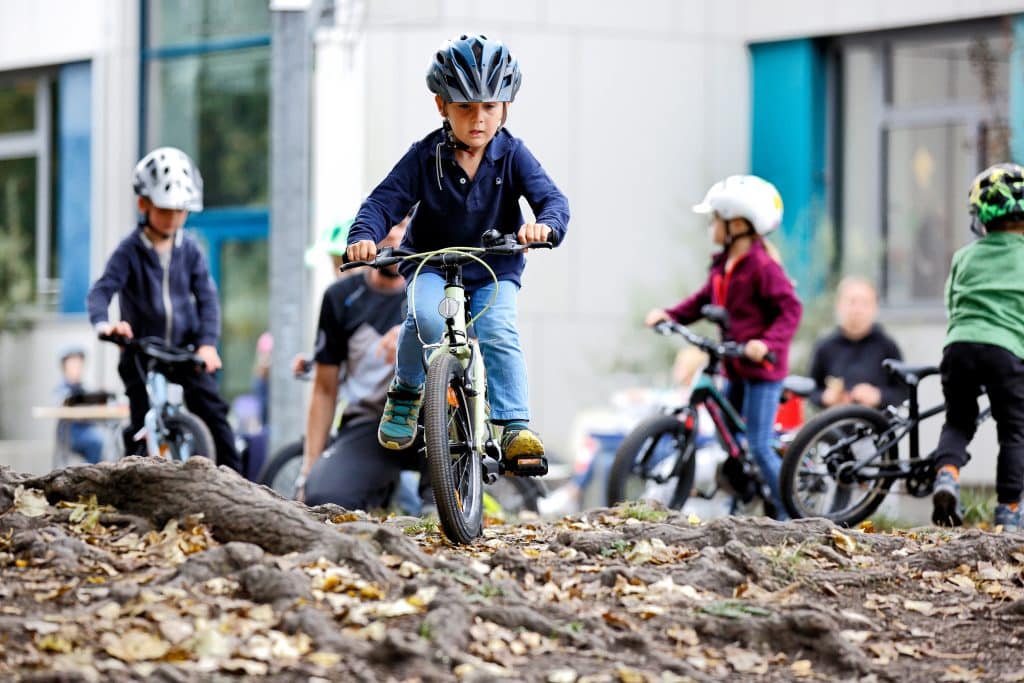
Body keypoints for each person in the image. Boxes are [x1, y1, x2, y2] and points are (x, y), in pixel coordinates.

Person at [345, 34, 570, 475]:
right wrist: (364, 236)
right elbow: (381, 203)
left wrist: (545, 225)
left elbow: (553, 201)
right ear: (441, 106)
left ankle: (513, 427)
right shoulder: (423, 157)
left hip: (493, 266)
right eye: (465, 106)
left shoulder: (513, 155)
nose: (478, 118)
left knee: (499, 329)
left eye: (489, 106)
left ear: (506, 106)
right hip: (431, 260)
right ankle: (407, 392)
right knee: (424, 319)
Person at [645, 175, 802, 519]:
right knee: (728, 442)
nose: (711, 226)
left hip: (762, 369)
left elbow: (791, 309)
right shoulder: (723, 264)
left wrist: (766, 343)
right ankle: (744, 494)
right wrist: (669, 315)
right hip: (733, 364)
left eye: (716, 219)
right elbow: (702, 301)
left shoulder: (762, 266)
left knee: (759, 446)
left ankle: (793, 516)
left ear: (738, 224)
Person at [86, 147, 242, 472]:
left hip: (184, 349)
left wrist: (207, 343)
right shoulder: (129, 251)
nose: (173, 219)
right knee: (141, 417)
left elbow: (208, 300)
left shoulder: (191, 250)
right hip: (142, 349)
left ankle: (240, 484)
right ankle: (135, 477)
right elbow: (102, 291)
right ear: (144, 204)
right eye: (165, 210)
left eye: (180, 211)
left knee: (214, 414)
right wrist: (105, 325)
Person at [296, 220, 427, 509]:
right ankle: (378, 488)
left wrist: (413, 334)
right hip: (369, 424)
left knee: (441, 512)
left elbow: (470, 356)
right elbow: (324, 389)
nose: (393, 235)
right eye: (387, 224)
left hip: (431, 423)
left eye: (404, 225)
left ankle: (438, 499)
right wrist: (308, 470)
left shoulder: (436, 290)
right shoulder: (340, 297)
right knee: (323, 500)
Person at [931, 163, 1024, 532]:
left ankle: (948, 475)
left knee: (958, 419)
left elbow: (952, 302)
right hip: (1005, 349)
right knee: (1014, 431)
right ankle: (1009, 509)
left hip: (959, 346)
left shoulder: (964, 256)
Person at [808, 276, 905, 410]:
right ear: (839, 305)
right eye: (852, 302)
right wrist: (826, 397)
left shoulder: (887, 346)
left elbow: (903, 391)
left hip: (877, 424)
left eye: (864, 303)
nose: (857, 309)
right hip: (835, 425)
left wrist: (878, 396)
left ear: (875, 307)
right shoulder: (825, 346)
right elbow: (811, 389)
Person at [55, 346, 108, 464]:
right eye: (73, 364)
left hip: (89, 429)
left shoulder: (84, 388)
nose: (76, 367)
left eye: (79, 364)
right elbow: (60, 406)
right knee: (97, 440)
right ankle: (93, 472)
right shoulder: (61, 390)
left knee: (109, 438)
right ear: (65, 366)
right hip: (70, 433)